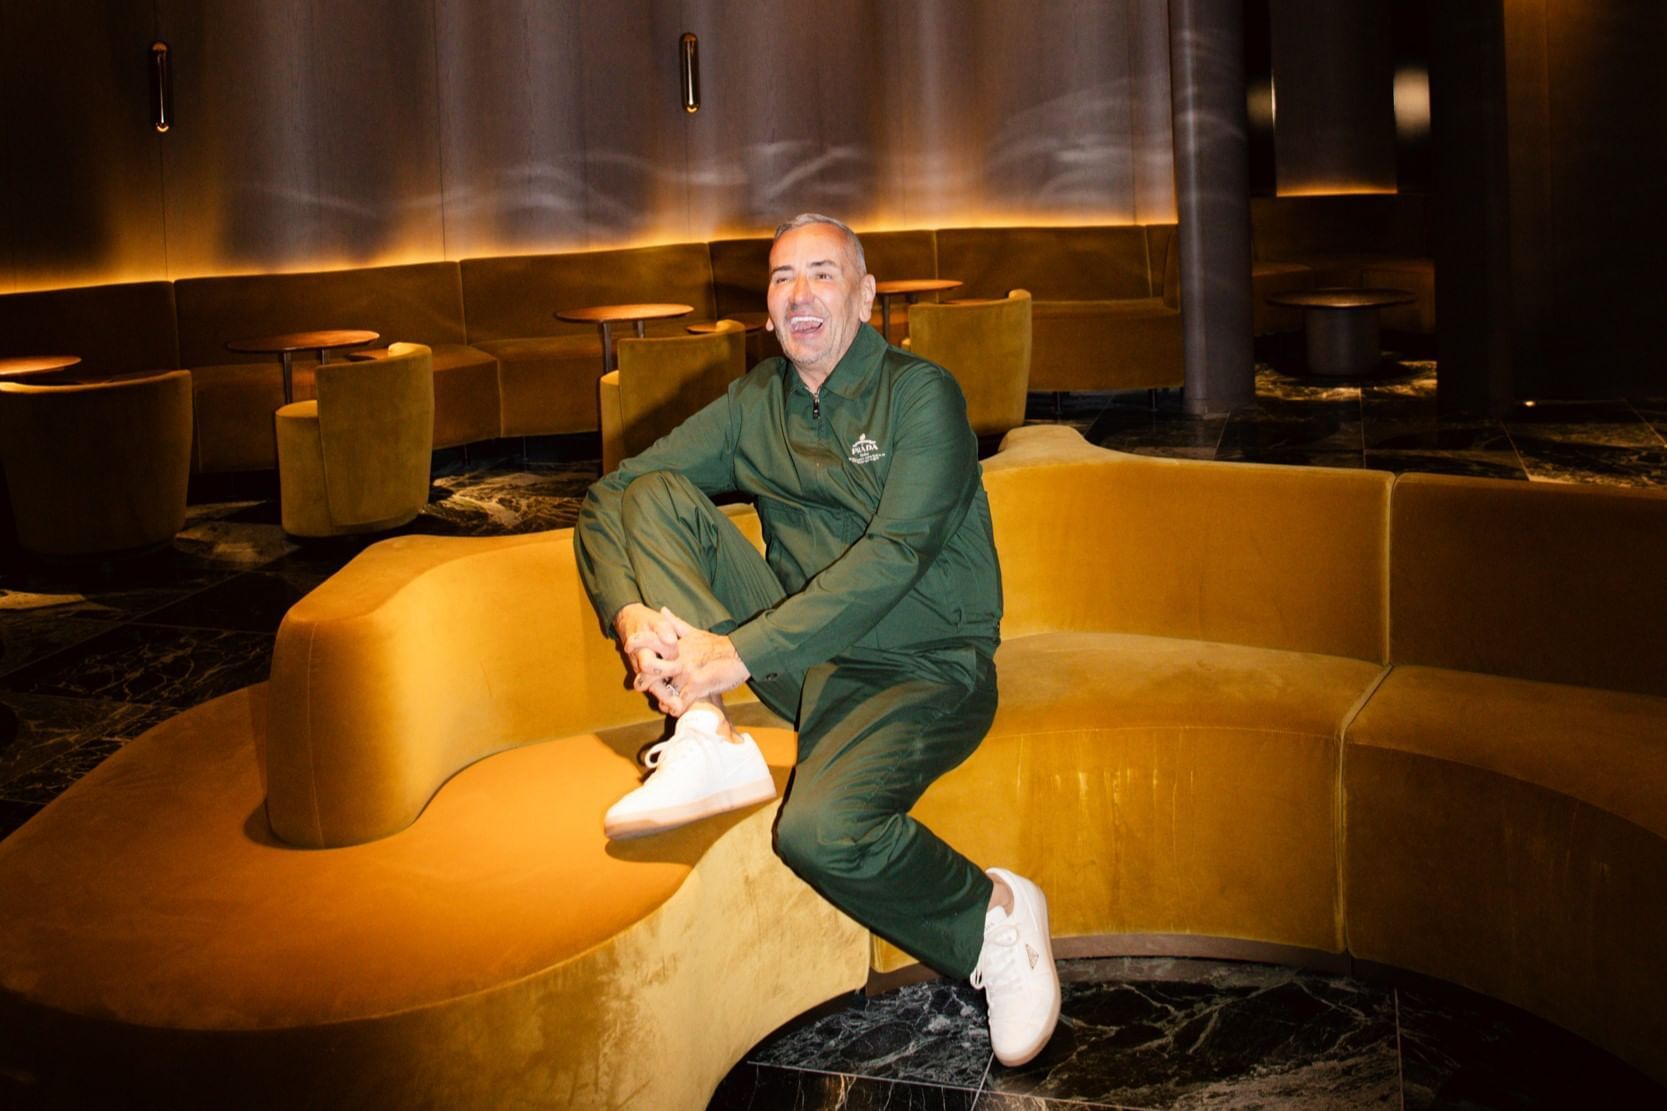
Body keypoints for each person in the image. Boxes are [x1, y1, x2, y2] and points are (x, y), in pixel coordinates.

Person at [572, 213, 1060, 1066]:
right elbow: (611, 493)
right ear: (765, 306)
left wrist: (734, 652)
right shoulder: (754, 401)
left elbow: (895, 553)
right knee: (651, 494)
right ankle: (702, 730)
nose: (800, 294)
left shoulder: (921, 393)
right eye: (781, 277)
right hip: (809, 662)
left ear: (866, 297)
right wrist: (630, 612)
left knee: (817, 831)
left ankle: (993, 917)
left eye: (823, 274)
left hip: (923, 664)